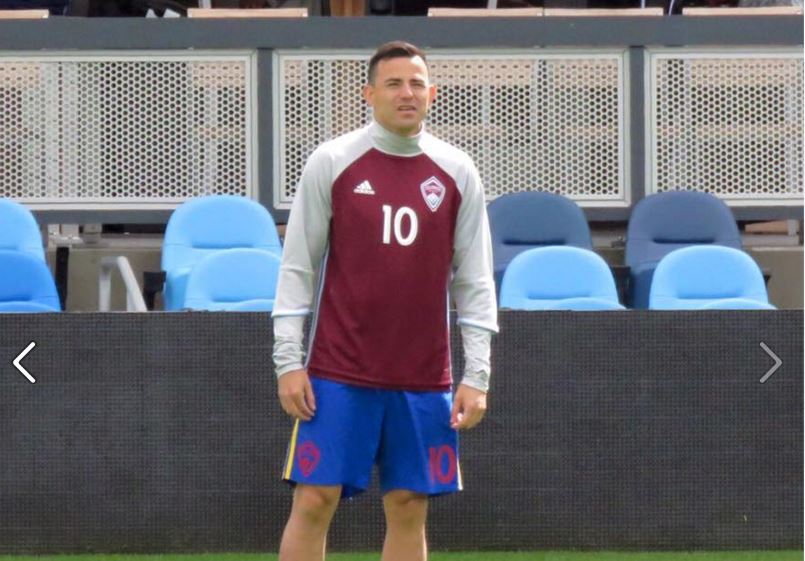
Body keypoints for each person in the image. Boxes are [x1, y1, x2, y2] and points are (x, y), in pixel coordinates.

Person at [271, 40, 498, 561]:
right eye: (394, 83)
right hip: (337, 371)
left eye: (417, 83)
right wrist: (288, 360)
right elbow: (297, 268)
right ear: (369, 94)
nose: (407, 93)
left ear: (432, 94)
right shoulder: (332, 161)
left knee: (409, 505)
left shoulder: (458, 171)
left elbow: (475, 280)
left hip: (424, 377)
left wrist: (477, 375)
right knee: (313, 499)